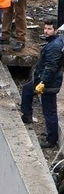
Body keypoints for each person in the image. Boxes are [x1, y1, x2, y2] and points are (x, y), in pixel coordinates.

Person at [21, 18, 64, 148]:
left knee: (49, 110)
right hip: (45, 78)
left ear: (56, 30)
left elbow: (51, 66)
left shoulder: (55, 46)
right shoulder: (54, 42)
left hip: (49, 82)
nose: (46, 31)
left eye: (49, 29)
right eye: (45, 28)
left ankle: (51, 140)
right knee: (27, 90)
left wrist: (43, 82)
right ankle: (27, 115)